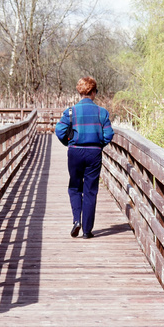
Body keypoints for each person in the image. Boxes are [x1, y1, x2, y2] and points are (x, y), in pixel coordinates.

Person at [55, 77, 114, 239]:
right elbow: (109, 134)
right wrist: (99, 145)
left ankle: (76, 221)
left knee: (74, 187)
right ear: (94, 92)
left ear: (80, 92)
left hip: (75, 151)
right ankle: (87, 230)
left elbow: (59, 131)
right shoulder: (102, 112)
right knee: (90, 190)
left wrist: (69, 143)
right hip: (94, 153)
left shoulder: (70, 111)